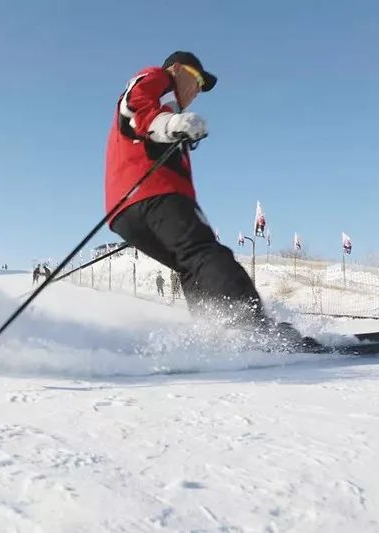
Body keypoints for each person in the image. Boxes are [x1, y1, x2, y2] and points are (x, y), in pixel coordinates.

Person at [105, 50, 310, 347]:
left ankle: (213, 334)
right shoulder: (157, 80)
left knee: (189, 265)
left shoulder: (169, 111)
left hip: (125, 211)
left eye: (203, 86)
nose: (198, 89)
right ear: (176, 69)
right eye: (197, 78)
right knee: (206, 253)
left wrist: (172, 125)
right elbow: (133, 105)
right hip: (154, 194)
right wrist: (170, 125)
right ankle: (258, 330)